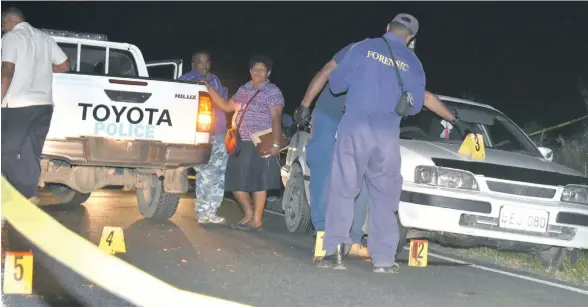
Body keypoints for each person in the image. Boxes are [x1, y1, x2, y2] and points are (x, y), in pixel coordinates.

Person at [294, 43, 464, 261]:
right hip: (331, 115)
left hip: (360, 123)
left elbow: (425, 96)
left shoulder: (401, 68)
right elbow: (327, 71)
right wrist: (305, 105)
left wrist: (452, 118)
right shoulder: (361, 50)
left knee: (363, 177)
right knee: (325, 172)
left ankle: (352, 239)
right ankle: (323, 233)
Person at [316, 13, 426, 273]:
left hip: (354, 129)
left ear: (388, 28)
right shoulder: (413, 61)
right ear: (410, 37)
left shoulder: (363, 47)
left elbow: (336, 84)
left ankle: (336, 253)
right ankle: (384, 260)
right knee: (385, 197)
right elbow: (416, 105)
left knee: (343, 189)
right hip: (387, 137)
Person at [205, 55, 284, 232]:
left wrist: (276, 144)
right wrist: (209, 89)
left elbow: (276, 117)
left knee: (258, 181)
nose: (258, 72)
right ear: (250, 71)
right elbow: (226, 106)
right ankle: (249, 214)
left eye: (262, 69)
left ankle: (256, 220)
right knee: (234, 182)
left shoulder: (272, 91)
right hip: (239, 142)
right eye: (255, 69)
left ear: (268, 73)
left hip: (259, 142)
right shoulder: (243, 89)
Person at [1, 7, 70, 204]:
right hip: (43, 106)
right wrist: (38, 65)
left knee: (5, 153)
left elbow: (7, 70)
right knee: (31, 153)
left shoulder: (11, 38)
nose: (3, 30)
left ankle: (22, 191)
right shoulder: (45, 38)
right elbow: (65, 66)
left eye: (3, 25)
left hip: (17, 106)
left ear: (12, 20)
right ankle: (30, 196)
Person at [178, 51, 230, 224]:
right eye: (200, 62)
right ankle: (202, 212)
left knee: (219, 173)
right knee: (206, 173)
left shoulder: (214, 79)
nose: (204, 66)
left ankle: (212, 210)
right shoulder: (185, 80)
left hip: (220, 132)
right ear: (193, 63)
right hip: (201, 133)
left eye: (207, 62)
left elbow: (223, 101)